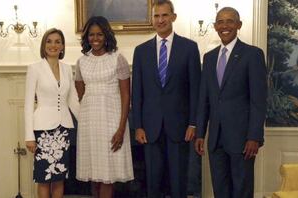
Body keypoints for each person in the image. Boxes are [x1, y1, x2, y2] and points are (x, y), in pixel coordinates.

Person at [195, 7, 267, 198]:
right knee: (221, 191)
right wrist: (200, 133)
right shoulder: (209, 58)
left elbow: (258, 101)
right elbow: (204, 99)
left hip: (242, 139)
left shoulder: (252, 55)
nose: (224, 26)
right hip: (215, 139)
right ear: (215, 26)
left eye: (229, 21)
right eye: (220, 22)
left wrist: (254, 136)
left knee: (242, 190)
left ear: (239, 25)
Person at [131, 0, 201, 197]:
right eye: (156, 16)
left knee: (178, 183)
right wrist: (138, 126)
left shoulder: (189, 48)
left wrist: (193, 123)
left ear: (173, 17)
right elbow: (137, 92)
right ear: (152, 19)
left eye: (164, 15)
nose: (160, 20)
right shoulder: (141, 51)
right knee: (153, 183)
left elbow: (195, 89)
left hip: (180, 127)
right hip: (150, 128)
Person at [74, 16, 133, 198]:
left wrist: (121, 128)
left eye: (99, 34)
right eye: (91, 35)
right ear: (87, 37)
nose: (95, 38)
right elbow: (80, 94)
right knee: (94, 173)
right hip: (90, 122)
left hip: (112, 120)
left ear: (106, 35)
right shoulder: (81, 61)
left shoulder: (118, 59)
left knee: (107, 173)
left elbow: (125, 96)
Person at [24, 28, 79, 198]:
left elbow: (73, 101)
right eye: (49, 41)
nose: (53, 45)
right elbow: (27, 104)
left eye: (57, 41)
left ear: (62, 46)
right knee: (44, 177)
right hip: (42, 131)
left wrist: (86, 121)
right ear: (44, 45)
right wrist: (29, 136)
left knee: (59, 176)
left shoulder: (67, 69)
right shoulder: (34, 68)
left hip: (63, 130)